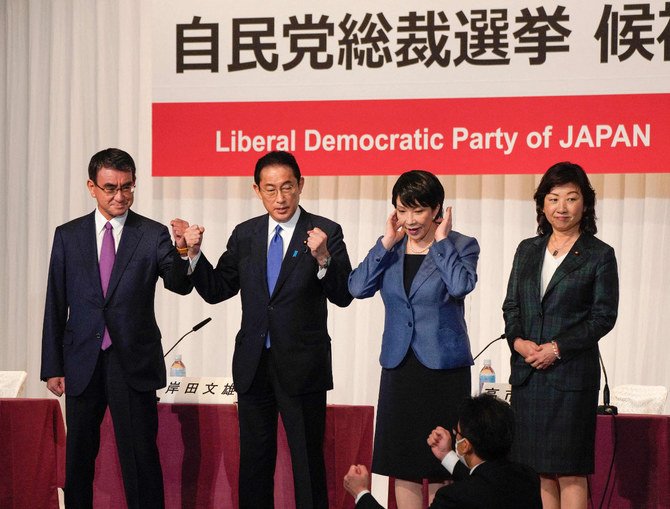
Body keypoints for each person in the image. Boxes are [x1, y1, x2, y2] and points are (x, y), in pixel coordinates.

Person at [170, 150, 353, 509]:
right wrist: (193, 253)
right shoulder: (246, 234)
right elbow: (218, 289)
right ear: (257, 190)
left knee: (306, 465)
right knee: (254, 465)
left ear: (301, 185)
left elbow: (344, 294)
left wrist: (323, 259)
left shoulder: (324, 231)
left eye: (287, 187)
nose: (280, 198)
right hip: (254, 367)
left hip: (302, 368)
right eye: (270, 189)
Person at [40, 148, 193, 509]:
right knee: (78, 462)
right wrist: (53, 366)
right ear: (92, 187)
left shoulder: (152, 234)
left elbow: (180, 284)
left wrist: (183, 250)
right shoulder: (68, 235)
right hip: (81, 362)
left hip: (132, 364)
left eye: (126, 187)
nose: (119, 196)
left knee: (140, 460)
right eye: (110, 188)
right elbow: (55, 302)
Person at [347, 170, 479, 508]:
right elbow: (356, 287)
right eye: (402, 210)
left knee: (442, 464)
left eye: (418, 210)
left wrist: (442, 243)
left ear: (437, 209)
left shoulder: (461, 245)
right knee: (402, 464)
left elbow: (461, 285)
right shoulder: (391, 248)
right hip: (399, 367)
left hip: (443, 371)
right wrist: (386, 242)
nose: (410, 219)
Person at [502, 162, 619, 509]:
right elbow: (511, 306)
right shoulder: (527, 250)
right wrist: (517, 341)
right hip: (529, 377)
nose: (562, 208)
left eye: (571, 198)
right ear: (542, 204)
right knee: (536, 471)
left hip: (569, 377)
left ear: (585, 203)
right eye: (553, 199)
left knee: (570, 471)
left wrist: (557, 348)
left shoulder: (599, 255)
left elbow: (603, 317)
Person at [344, 394, 542, 508]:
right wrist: (447, 456)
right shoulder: (528, 479)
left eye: (457, 434)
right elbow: (485, 482)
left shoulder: (453, 497)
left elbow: (476, 489)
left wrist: (361, 492)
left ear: (465, 445)